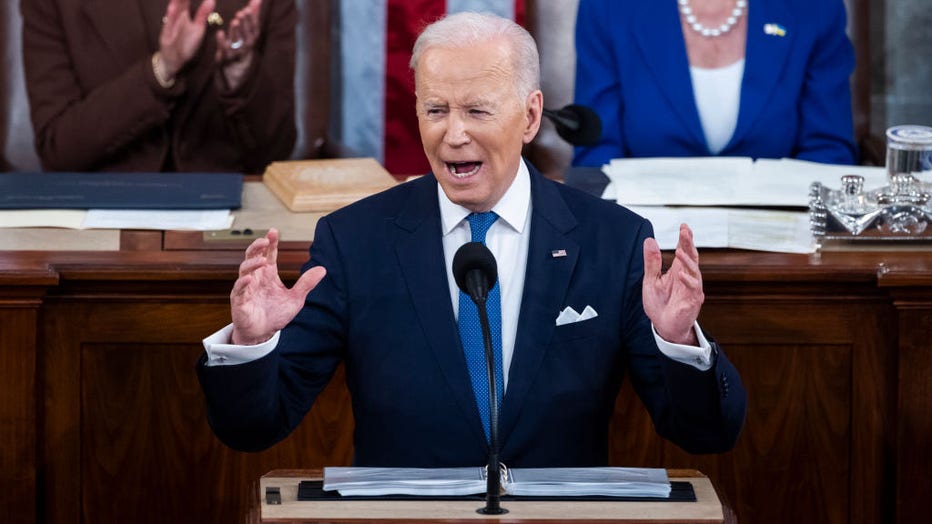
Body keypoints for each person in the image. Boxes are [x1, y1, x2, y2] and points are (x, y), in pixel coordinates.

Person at [196, 12, 746, 468]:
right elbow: (254, 429)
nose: (453, 134)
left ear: (530, 116)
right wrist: (251, 345)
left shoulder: (614, 240)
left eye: (477, 110)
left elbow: (706, 435)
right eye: (435, 110)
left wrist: (677, 342)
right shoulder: (354, 241)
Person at [20, 0, 296, 173]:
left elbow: (276, 151)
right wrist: (162, 69)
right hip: (102, 208)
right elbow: (58, 149)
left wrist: (239, 72)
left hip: (229, 210)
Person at [572, 0, 858, 167]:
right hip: (645, 242)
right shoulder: (607, 7)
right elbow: (597, 152)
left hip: (780, 246)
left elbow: (828, 149)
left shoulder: (815, 8)